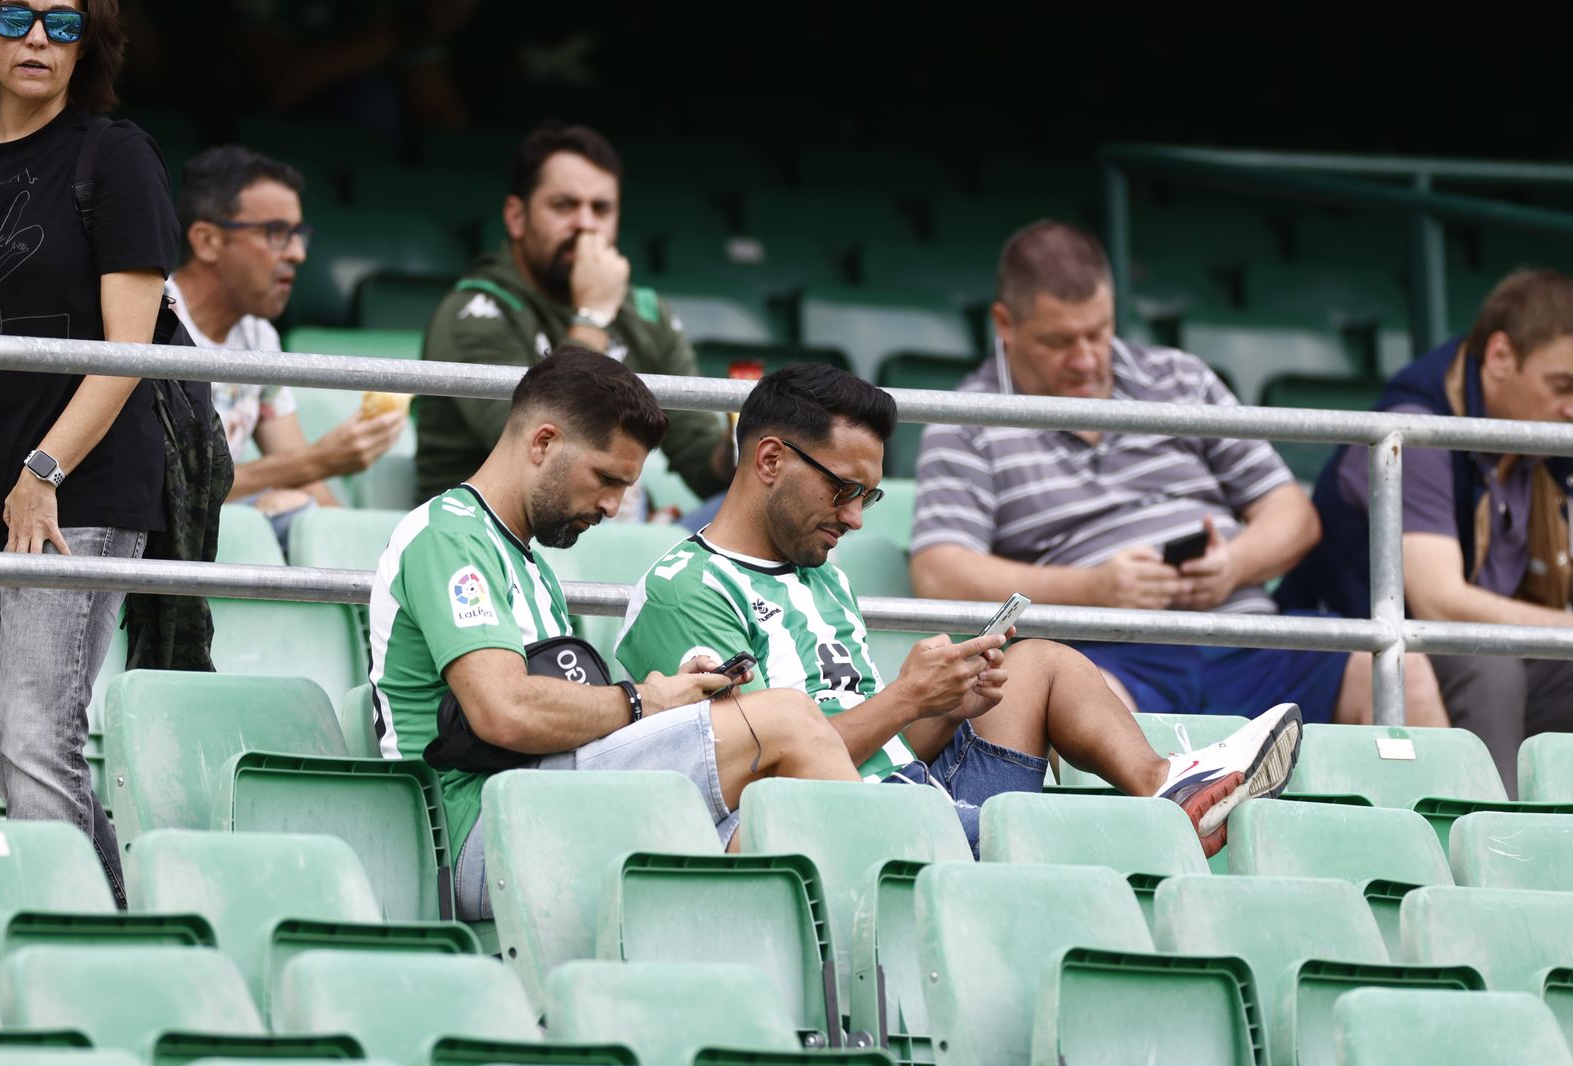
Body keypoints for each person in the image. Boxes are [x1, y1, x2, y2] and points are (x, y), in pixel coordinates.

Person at [615, 364, 1306, 857]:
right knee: (1072, 846)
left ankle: (1166, 787)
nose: (855, 517)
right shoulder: (686, 591)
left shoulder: (825, 577)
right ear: (770, 459)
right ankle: (1150, 838)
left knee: (1040, 663)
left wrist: (946, 706)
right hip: (832, 835)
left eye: (869, 497)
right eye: (843, 489)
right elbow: (777, 775)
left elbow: (878, 753)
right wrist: (907, 699)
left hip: (911, 795)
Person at [371, 346, 861, 921]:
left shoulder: (529, 563)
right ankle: (889, 924)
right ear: (543, 442)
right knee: (787, 719)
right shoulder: (449, 536)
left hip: (535, 804)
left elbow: (558, 718)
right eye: (606, 478)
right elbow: (503, 711)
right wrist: (644, 700)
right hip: (472, 830)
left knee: (768, 821)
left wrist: (669, 704)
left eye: (626, 486)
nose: (613, 506)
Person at [909, 220, 1447, 730]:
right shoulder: (968, 419)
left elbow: (1291, 514)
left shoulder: (1178, 376)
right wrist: (1091, 590)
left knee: (1397, 669)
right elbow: (938, 571)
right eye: (1058, 341)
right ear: (1004, 324)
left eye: (1098, 332)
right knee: (1066, 705)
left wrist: (1231, 565)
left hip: (1246, 637)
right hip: (1105, 658)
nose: (1085, 359)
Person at [0, 0, 181, 906]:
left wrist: (40, 473)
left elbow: (125, 353)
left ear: (85, 46)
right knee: (6, 746)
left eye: (62, 25)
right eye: (17, 17)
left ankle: (64, 949)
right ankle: (118, 931)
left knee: (36, 741)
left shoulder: (114, 155)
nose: (35, 41)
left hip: (73, 492)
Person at [1278, 270, 1573, 794]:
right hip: (1350, 660)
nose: (1572, 409)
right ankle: (1495, 853)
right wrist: (1562, 624)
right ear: (1501, 357)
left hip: (1451, 655)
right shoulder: (1415, 431)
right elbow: (1441, 604)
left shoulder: (1536, 442)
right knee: (1491, 668)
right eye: (1562, 387)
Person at [415, 120, 734, 512]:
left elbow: (705, 469)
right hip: (488, 538)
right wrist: (593, 316)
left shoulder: (647, 315)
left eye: (601, 209)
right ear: (516, 217)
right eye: (564, 205)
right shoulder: (475, 312)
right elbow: (537, 451)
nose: (586, 223)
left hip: (606, 533)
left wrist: (737, 445)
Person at [167, 144, 404, 546]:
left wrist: (370, 556)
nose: (297, 254)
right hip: (160, 540)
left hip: (218, 539)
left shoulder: (260, 337)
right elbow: (165, 487)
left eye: (298, 235)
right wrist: (317, 460)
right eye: (276, 233)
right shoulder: (152, 320)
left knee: (299, 507)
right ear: (207, 241)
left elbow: (304, 476)